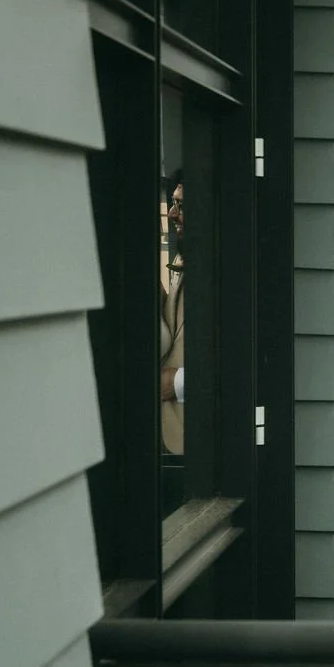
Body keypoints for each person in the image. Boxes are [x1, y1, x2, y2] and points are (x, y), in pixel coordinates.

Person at [160, 172, 185, 455]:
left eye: (182, 205)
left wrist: (176, 382)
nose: (173, 213)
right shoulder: (183, 259)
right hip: (170, 437)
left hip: (202, 441)